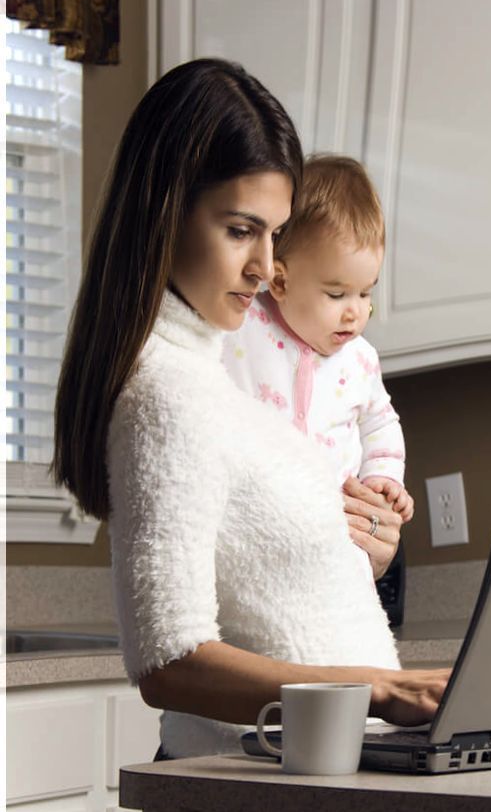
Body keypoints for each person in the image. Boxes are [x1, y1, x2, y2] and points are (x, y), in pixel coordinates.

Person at [52, 58, 449, 759]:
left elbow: (267, 571)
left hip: (315, 781)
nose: (266, 266)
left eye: (275, 233)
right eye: (241, 230)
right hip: (246, 790)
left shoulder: (218, 381)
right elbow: (169, 660)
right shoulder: (165, 393)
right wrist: (379, 690)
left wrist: (366, 545)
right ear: (164, 213)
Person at [221, 154, 413, 523]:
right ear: (280, 281)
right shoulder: (243, 324)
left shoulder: (360, 360)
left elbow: (380, 423)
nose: (354, 312)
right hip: (255, 516)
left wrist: (383, 478)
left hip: (333, 530)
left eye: (365, 293)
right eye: (337, 294)